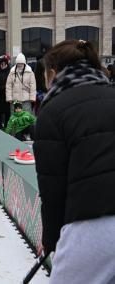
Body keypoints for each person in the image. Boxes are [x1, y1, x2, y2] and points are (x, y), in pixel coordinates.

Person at [33, 39, 115, 283]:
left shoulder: (53, 110)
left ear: (53, 73)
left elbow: (53, 189)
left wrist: (50, 241)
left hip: (94, 226)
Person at [0, 55, 11, 129]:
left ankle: (7, 127)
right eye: (2, 64)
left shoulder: (10, 73)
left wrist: (6, 87)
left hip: (7, 95)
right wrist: (0, 87)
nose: (3, 66)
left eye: (4, 64)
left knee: (7, 113)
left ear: (7, 64)